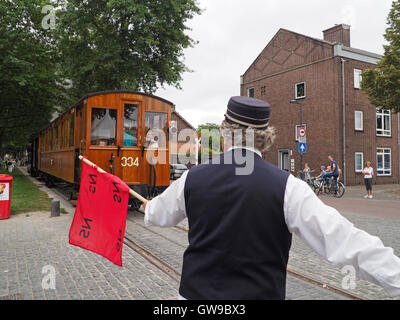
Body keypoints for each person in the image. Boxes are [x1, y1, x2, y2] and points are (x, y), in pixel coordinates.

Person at [143, 96, 400, 300]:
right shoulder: (289, 187)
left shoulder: (192, 178)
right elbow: (344, 240)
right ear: (266, 139)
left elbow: (156, 215)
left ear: (225, 134)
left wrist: (147, 207)